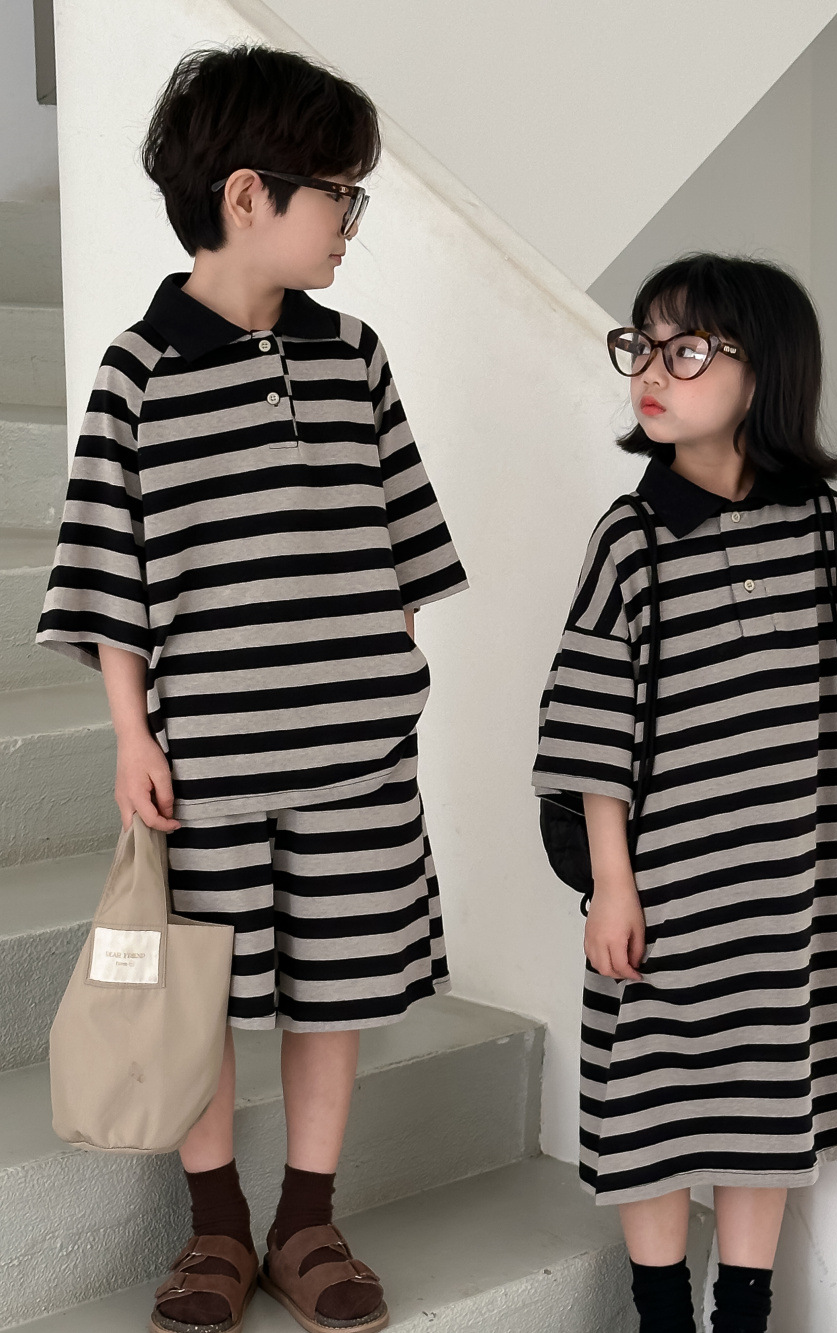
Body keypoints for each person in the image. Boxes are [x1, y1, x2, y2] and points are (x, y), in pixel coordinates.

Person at [37, 45, 467, 1333]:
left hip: (353, 758)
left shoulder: (355, 356)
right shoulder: (138, 369)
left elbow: (403, 543)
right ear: (246, 196)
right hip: (208, 758)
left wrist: (384, 684)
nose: (349, 220)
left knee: (336, 987)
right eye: (337, 192)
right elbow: (111, 573)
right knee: (202, 995)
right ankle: (217, 1225)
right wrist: (132, 736)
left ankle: (306, 1221)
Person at [532, 253, 837, 1333]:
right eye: (642, 346)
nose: (652, 370)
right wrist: (612, 886)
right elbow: (591, 725)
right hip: (662, 898)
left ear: (765, 372)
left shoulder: (833, 534)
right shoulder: (632, 539)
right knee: (649, 1109)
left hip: (788, 903)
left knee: (765, 1113)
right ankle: (660, 1315)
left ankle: (743, 1315)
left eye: (687, 349)